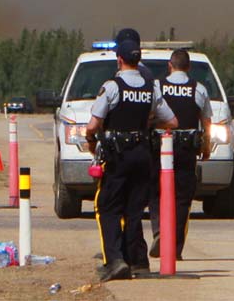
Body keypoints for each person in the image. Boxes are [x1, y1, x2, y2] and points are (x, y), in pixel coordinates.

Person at [85, 27, 178, 282]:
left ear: (119, 59)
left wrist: (91, 140)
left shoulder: (112, 86)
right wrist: (147, 127)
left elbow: (93, 124)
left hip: (118, 156)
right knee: (134, 210)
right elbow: (172, 122)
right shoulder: (152, 87)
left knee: (108, 206)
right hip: (143, 154)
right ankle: (135, 260)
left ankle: (115, 260)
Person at [149, 48, 213, 260]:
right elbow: (206, 122)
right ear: (189, 67)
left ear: (170, 65)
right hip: (186, 147)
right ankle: (175, 247)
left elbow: (149, 114)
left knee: (156, 192)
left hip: (159, 145)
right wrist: (205, 148)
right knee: (183, 198)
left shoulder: (157, 86)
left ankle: (159, 232)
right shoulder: (199, 89)